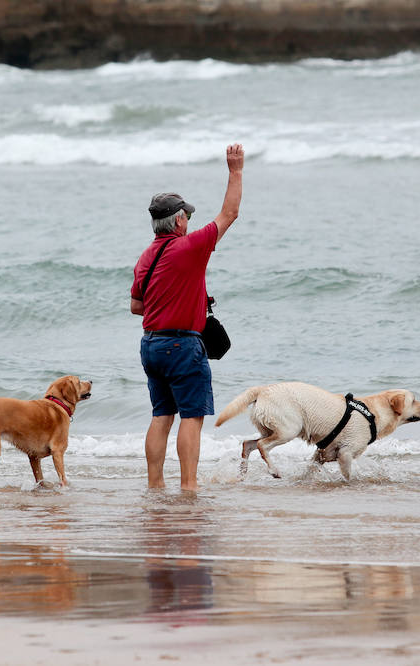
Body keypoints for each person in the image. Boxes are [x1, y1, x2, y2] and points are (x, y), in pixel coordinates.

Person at [130, 144, 244, 491]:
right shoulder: (189, 246)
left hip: (151, 344)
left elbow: (137, 307)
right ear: (178, 220)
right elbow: (229, 214)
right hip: (183, 346)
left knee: (161, 416)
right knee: (191, 418)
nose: (190, 221)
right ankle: (189, 487)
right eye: (187, 217)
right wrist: (235, 170)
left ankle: (155, 486)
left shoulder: (146, 256)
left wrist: (169, 301)